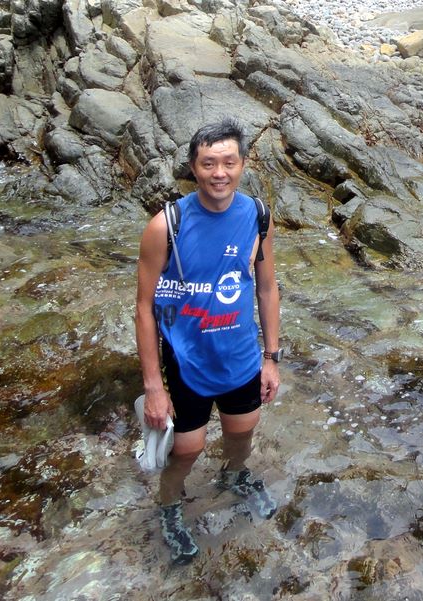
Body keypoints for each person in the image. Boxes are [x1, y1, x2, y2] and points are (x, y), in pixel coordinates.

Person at [134, 118, 281, 565]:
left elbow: (267, 288)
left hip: (240, 355)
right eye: (209, 163)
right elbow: (144, 308)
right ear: (194, 168)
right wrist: (154, 388)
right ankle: (169, 504)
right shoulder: (166, 225)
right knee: (187, 449)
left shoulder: (257, 216)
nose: (220, 173)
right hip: (187, 359)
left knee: (242, 431)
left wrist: (271, 358)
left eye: (229, 162)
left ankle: (234, 476)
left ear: (243, 164)